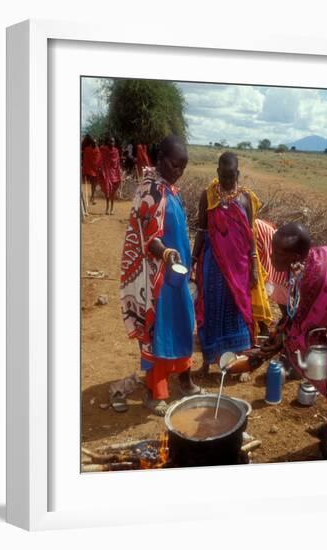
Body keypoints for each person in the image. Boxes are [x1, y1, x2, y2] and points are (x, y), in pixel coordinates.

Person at [120, 135, 201, 415]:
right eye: (174, 164)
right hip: (156, 279)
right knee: (159, 332)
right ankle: (155, 392)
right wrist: (166, 253)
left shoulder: (170, 189)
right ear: (159, 158)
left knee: (183, 324)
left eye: (183, 167)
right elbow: (148, 237)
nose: (179, 171)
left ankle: (185, 381)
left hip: (175, 276)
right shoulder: (150, 190)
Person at [192, 152, 267, 376]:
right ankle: (207, 363)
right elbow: (202, 230)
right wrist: (194, 260)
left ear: (238, 173)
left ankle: (242, 363)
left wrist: (254, 265)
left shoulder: (246, 199)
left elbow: (250, 235)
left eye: (231, 176)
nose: (227, 181)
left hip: (240, 267)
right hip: (213, 263)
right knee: (210, 308)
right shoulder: (208, 196)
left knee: (239, 311)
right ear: (217, 172)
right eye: (223, 176)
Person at [260, 222, 327, 397]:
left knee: (319, 358)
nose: (271, 256)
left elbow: (304, 326)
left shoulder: (317, 279)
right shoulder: (300, 265)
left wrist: (281, 341)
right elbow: (295, 310)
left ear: (293, 256)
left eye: (277, 253)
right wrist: (280, 332)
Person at [99, 136, 122, 215]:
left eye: (113, 142)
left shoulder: (116, 151)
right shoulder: (104, 150)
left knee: (112, 192)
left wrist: (119, 172)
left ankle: (112, 209)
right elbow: (101, 159)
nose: (112, 143)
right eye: (111, 141)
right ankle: (107, 208)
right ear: (108, 142)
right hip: (107, 173)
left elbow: (118, 163)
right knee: (107, 191)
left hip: (114, 174)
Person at [81, 135, 102, 205]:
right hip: (90, 169)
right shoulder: (87, 149)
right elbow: (85, 159)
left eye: (96, 143)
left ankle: (93, 197)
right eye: (94, 143)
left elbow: (99, 159)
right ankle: (93, 197)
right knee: (93, 183)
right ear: (91, 143)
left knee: (94, 184)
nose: (95, 144)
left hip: (95, 169)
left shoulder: (97, 149)